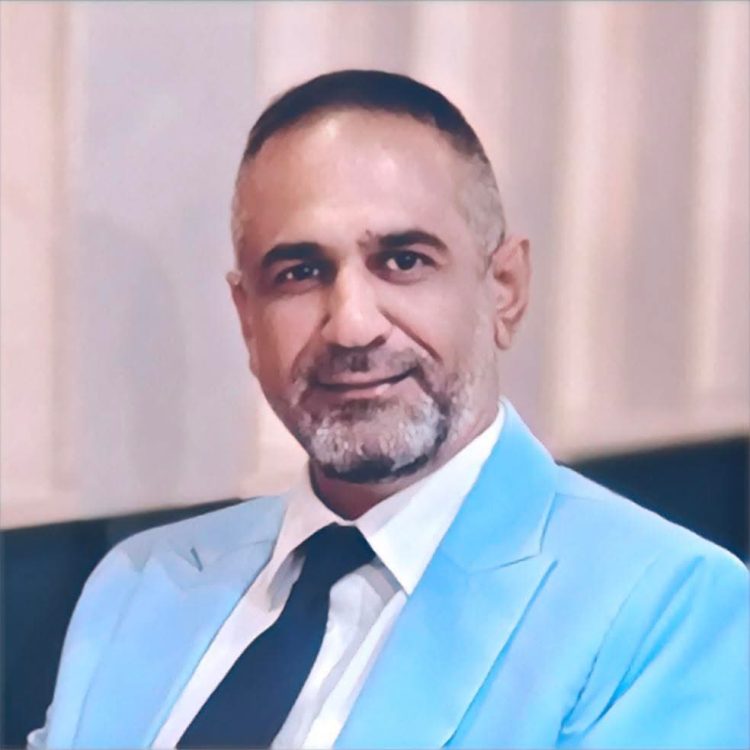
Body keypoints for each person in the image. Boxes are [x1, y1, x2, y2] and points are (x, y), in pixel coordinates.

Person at [33, 70, 748, 749]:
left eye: (404, 261)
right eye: (300, 272)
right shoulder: (139, 586)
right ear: (247, 319)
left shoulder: (665, 610)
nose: (352, 326)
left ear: (504, 289)